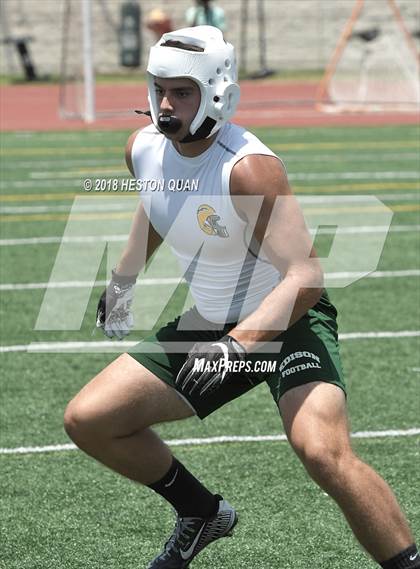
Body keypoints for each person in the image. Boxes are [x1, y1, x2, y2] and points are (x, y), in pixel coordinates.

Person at [64, 26, 419, 569]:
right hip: (210, 321)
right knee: (89, 419)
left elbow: (306, 275)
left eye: (182, 91)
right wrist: (123, 279)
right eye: (159, 87)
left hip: (287, 318)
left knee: (323, 453)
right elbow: (159, 205)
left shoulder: (248, 168)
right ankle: (201, 513)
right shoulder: (142, 149)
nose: (164, 103)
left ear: (216, 93)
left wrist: (240, 344)